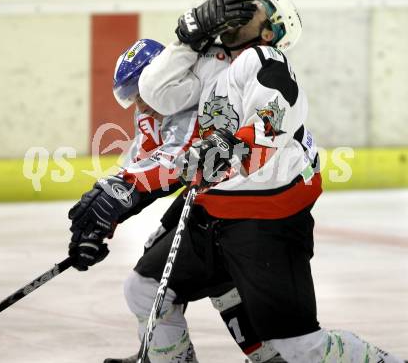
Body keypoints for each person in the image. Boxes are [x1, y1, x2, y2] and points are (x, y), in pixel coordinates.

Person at [130, 0, 406, 363]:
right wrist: (186, 35)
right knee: (144, 289)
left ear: (269, 32)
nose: (240, 11)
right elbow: (155, 93)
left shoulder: (264, 59)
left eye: (254, 10)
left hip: (264, 221)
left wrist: (232, 148)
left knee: (300, 347)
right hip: (211, 216)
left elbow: (276, 114)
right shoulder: (208, 60)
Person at [67, 38, 285, 363]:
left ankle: (254, 354)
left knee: (151, 284)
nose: (139, 105)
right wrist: (104, 220)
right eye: (131, 97)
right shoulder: (153, 112)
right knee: (181, 264)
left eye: (140, 93)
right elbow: (143, 163)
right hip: (214, 197)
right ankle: (263, 354)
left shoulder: (197, 98)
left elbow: (177, 160)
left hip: (242, 200)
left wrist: (118, 190)